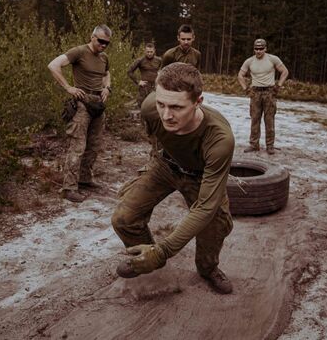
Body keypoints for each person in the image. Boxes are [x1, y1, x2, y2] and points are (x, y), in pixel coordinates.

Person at [112, 62, 235, 294]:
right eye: (162, 104)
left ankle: (208, 269)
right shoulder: (150, 108)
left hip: (200, 178)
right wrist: (154, 256)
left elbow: (205, 207)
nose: (166, 115)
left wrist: (163, 251)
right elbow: (155, 139)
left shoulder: (219, 139)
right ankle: (147, 260)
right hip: (164, 166)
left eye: (177, 107)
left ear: (198, 102)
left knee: (213, 228)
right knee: (123, 218)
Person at [48, 24, 112, 202]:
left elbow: (107, 74)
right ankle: (68, 188)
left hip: (98, 105)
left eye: (107, 42)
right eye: (100, 41)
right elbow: (53, 65)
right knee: (77, 147)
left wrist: (107, 87)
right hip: (82, 105)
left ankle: (85, 179)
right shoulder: (79, 52)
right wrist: (68, 87)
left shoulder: (104, 57)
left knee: (94, 146)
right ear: (92, 37)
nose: (103, 45)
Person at [238, 38, 288, 155]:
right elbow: (240, 75)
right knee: (255, 119)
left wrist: (278, 86)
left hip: (269, 92)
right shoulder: (249, 61)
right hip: (255, 93)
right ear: (254, 49)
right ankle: (254, 144)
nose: (259, 51)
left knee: (269, 120)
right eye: (256, 49)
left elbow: (285, 71)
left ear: (265, 48)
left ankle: (270, 145)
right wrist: (246, 89)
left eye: (261, 49)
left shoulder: (273, 59)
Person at [127, 43, 162, 109]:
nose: (149, 53)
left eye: (151, 52)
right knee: (143, 107)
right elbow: (129, 72)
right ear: (145, 51)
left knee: (156, 106)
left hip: (155, 87)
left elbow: (164, 70)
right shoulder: (140, 60)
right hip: (144, 87)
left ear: (154, 51)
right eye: (148, 52)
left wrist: (160, 76)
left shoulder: (159, 60)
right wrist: (138, 81)